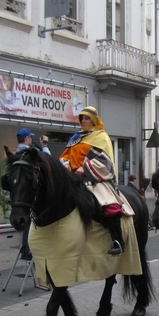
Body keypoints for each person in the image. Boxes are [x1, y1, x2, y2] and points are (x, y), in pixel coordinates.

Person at [59, 106, 130, 255]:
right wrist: (65, 164)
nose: (83, 121)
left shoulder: (101, 136)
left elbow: (106, 162)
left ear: (93, 120)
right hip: (72, 178)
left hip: (94, 179)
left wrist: (85, 168)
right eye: (82, 118)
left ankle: (118, 241)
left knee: (108, 205)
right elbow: (65, 156)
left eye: (86, 118)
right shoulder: (76, 137)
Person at [16, 128, 34, 260]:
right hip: (29, 194)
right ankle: (27, 248)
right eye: (30, 138)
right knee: (30, 220)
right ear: (27, 138)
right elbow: (45, 159)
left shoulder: (16, 153)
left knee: (26, 220)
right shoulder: (28, 152)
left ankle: (24, 247)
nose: (31, 140)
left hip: (20, 194)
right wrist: (44, 146)